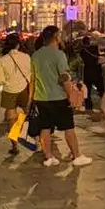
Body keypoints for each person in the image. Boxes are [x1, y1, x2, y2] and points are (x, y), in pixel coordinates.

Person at [30, 25, 91, 168]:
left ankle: (49, 157)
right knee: (68, 128)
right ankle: (77, 156)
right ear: (56, 37)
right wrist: (71, 95)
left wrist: (31, 98)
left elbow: (33, 79)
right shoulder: (59, 55)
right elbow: (64, 78)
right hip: (58, 97)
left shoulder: (35, 55)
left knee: (45, 128)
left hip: (41, 97)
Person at [0, 33, 33, 154]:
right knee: (25, 114)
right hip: (24, 89)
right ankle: (23, 132)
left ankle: (14, 145)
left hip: (9, 90)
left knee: (11, 118)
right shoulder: (26, 57)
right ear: (18, 44)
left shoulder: (2, 60)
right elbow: (31, 73)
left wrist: (8, 81)